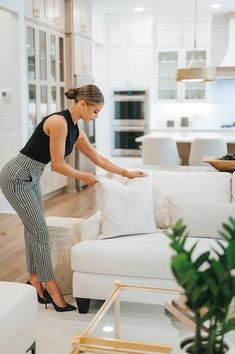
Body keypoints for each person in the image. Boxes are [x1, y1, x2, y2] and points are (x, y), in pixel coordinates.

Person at [0, 84, 145, 312]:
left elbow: (99, 159)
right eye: (95, 111)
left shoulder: (76, 130)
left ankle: (35, 279)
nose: (96, 116)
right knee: (39, 230)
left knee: (33, 229)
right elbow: (58, 165)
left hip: (32, 177)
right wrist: (83, 176)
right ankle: (51, 288)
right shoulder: (58, 122)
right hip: (16, 177)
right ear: (83, 104)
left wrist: (127, 173)